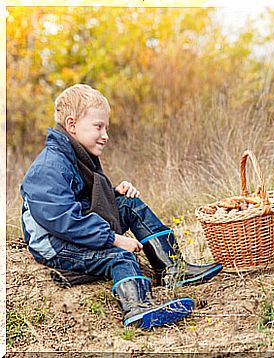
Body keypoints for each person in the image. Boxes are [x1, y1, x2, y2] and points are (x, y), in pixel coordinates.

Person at [20, 84, 223, 329]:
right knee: (119, 256)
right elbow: (63, 219)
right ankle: (137, 308)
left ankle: (171, 269)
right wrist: (113, 239)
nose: (105, 135)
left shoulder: (77, 155)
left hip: (73, 230)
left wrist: (113, 193)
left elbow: (81, 199)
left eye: (106, 127)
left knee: (129, 205)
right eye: (98, 127)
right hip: (55, 244)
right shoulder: (48, 167)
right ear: (72, 125)